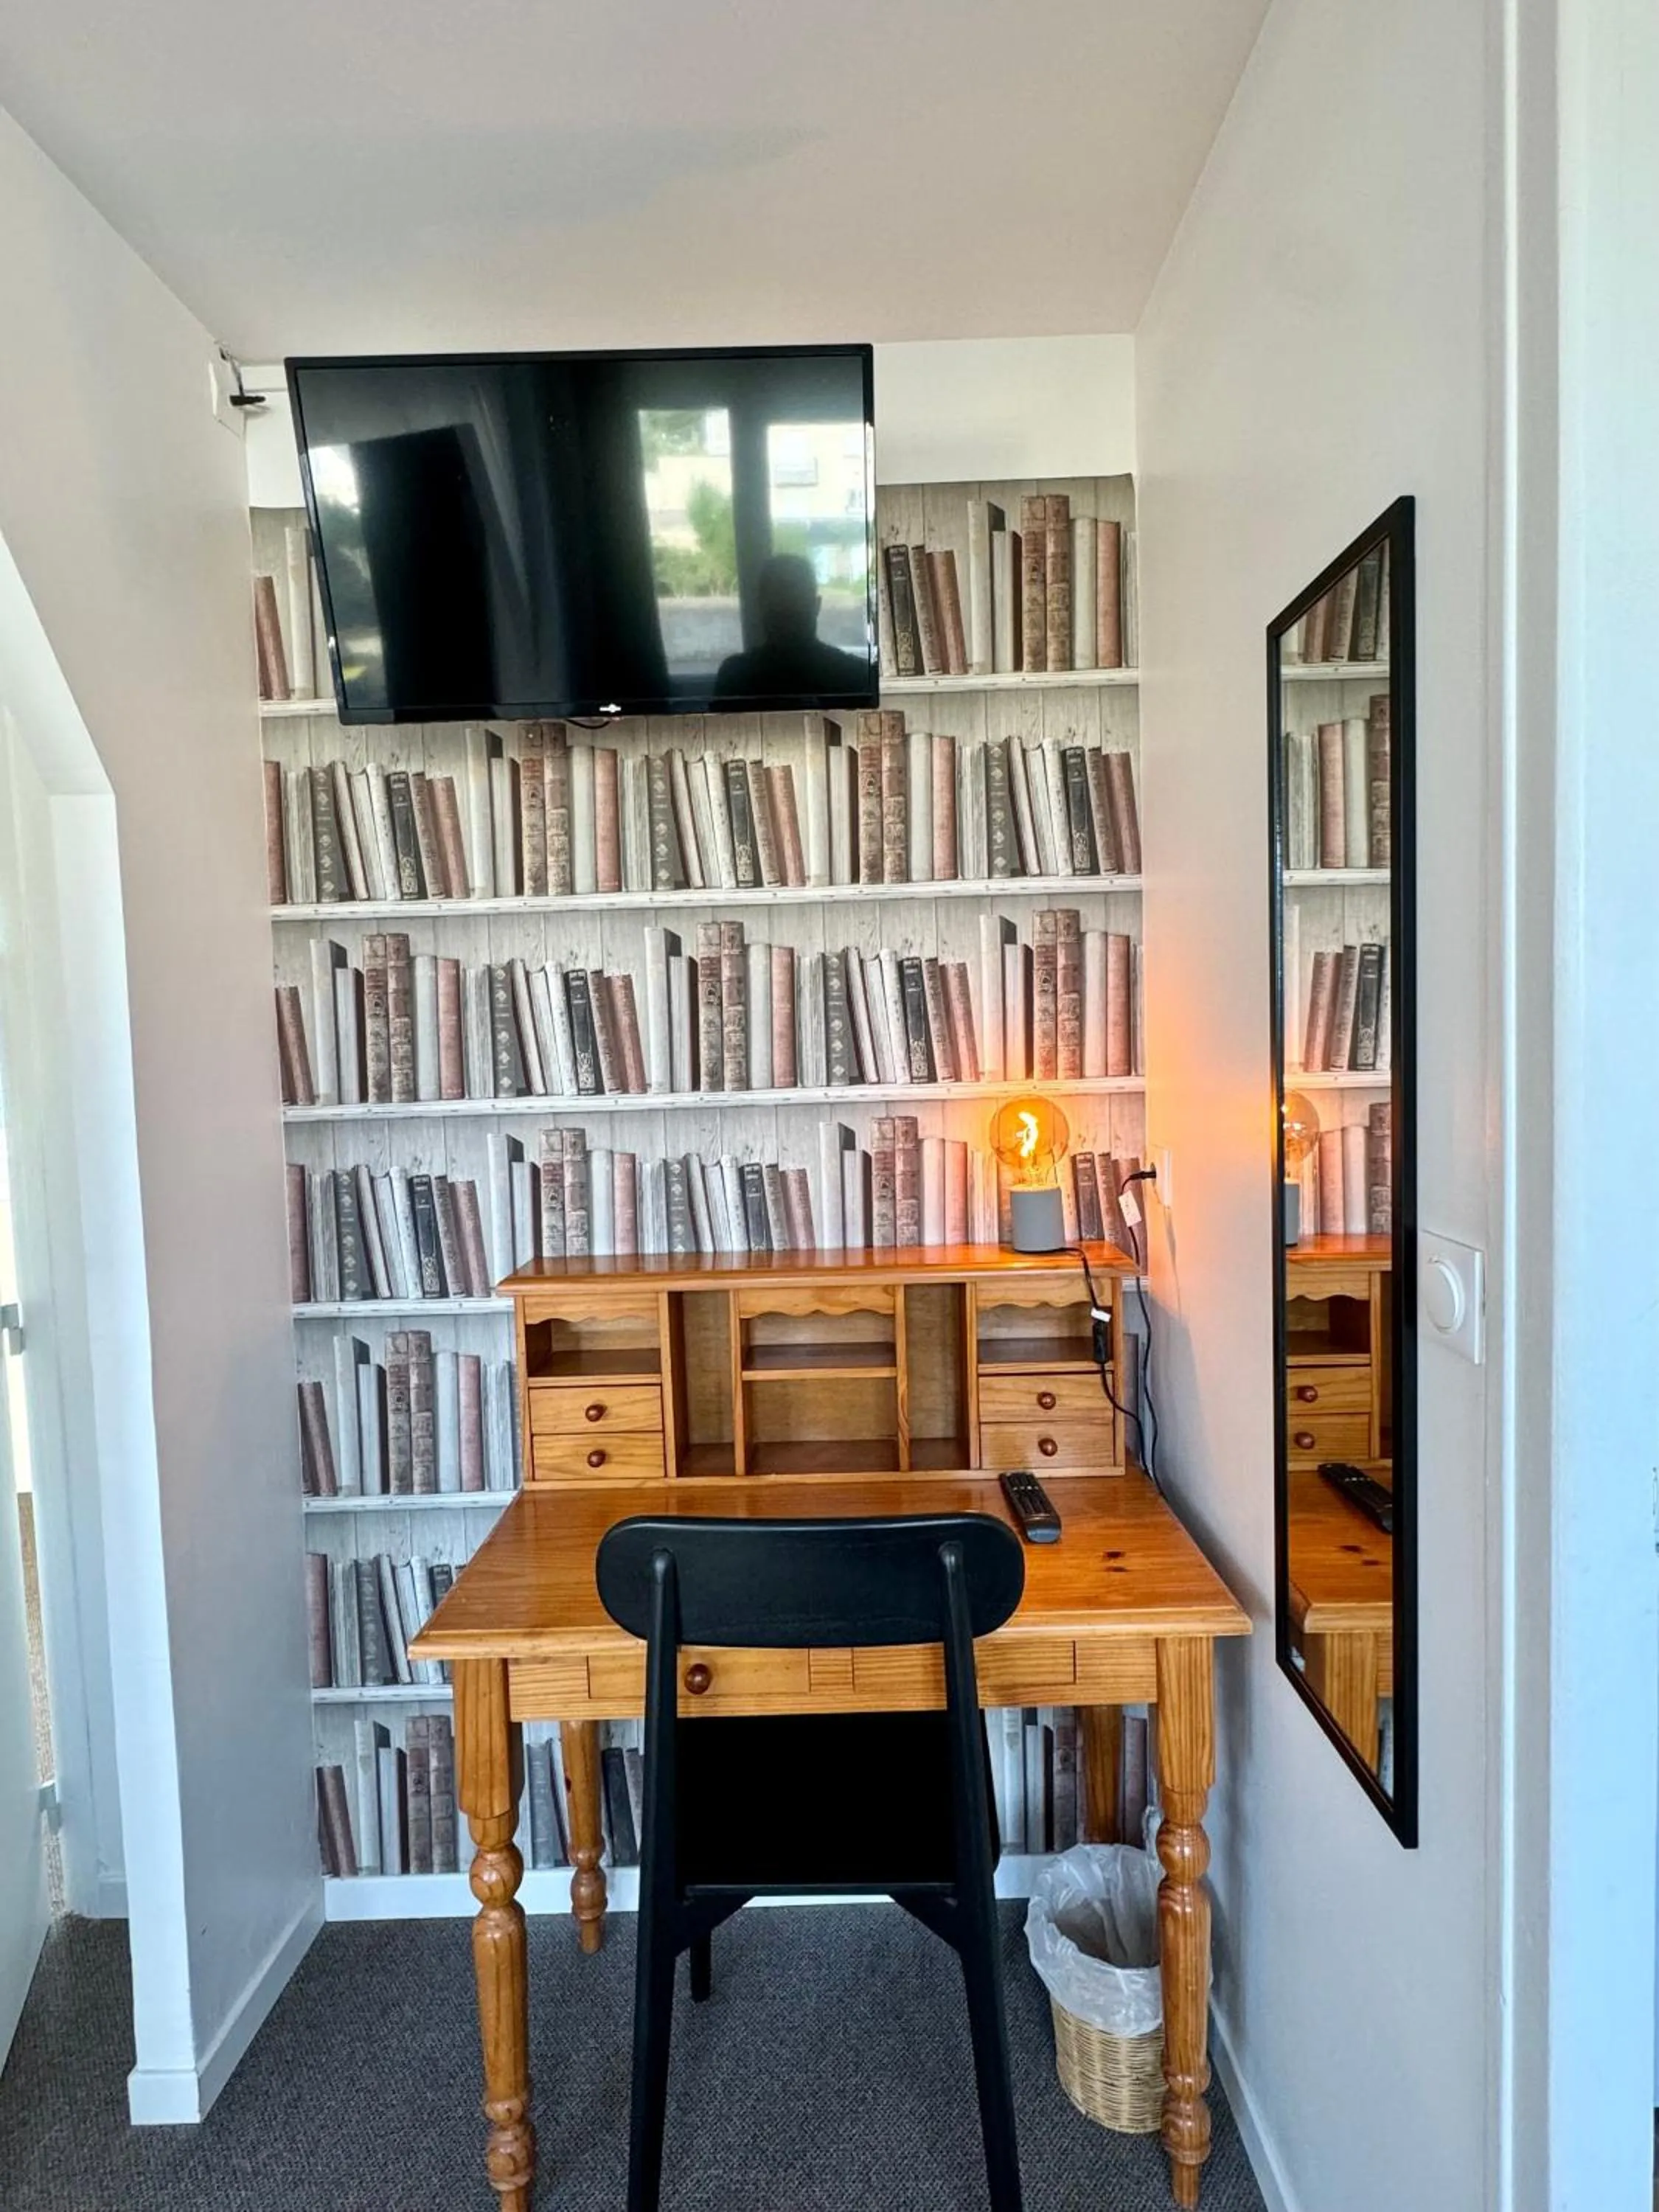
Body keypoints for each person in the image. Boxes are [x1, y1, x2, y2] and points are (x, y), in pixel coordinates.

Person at [712, 553, 871, 703]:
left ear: (761, 608)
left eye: (792, 607)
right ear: (816, 606)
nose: (786, 611)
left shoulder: (735, 676)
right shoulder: (856, 674)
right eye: (781, 607)